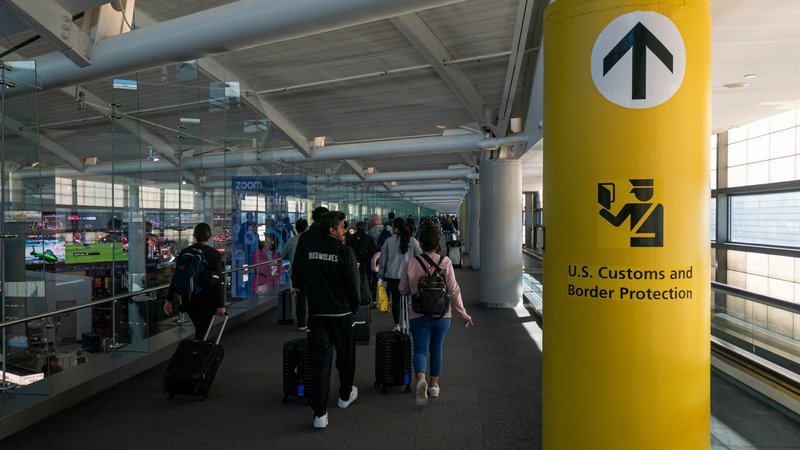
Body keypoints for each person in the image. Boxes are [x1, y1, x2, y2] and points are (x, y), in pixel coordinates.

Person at [293, 211, 361, 429]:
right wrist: (353, 308)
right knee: (346, 357)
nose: (344, 231)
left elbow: (298, 281)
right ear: (332, 229)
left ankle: (320, 414)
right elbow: (353, 286)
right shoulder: (345, 252)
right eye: (342, 227)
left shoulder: (308, 251)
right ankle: (344, 394)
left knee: (320, 364)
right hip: (341, 314)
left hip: (318, 316)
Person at [400, 223, 472, 406]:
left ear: (420, 242)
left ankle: (421, 379)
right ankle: (433, 386)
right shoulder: (445, 262)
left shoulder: (411, 263)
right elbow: (454, 290)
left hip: (418, 314)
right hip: (442, 315)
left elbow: (403, 290)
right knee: (436, 349)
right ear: (437, 242)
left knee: (420, 350)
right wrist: (462, 313)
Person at [164, 223, 226, 340]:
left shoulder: (185, 252)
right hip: (206, 300)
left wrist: (169, 298)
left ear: (194, 236)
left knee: (200, 329)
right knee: (202, 332)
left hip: (188, 299)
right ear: (210, 236)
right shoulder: (213, 253)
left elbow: (177, 276)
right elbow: (218, 281)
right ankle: (197, 355)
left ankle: (197, 353)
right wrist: (220, 305)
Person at [379, 217, 422, 331]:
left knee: (395, 301)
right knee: (408, 300)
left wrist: (381, 275)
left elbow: (383, 260)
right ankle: (407, 321)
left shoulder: (388, 241)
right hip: (409, 276)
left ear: (396, 228)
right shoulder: (413, 241)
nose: (391, 228)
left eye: (393, 226)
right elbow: (421, 256)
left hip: (393, 276)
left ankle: (397, 324)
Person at [291, 207, 328, 331]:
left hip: (306, 272)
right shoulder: (328, 235)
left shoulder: (305, 236)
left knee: (301, 298)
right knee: (321, 298)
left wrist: (296, 280)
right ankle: (318, 322)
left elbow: (298, 259)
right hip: (323, 273)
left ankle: (302, 323)